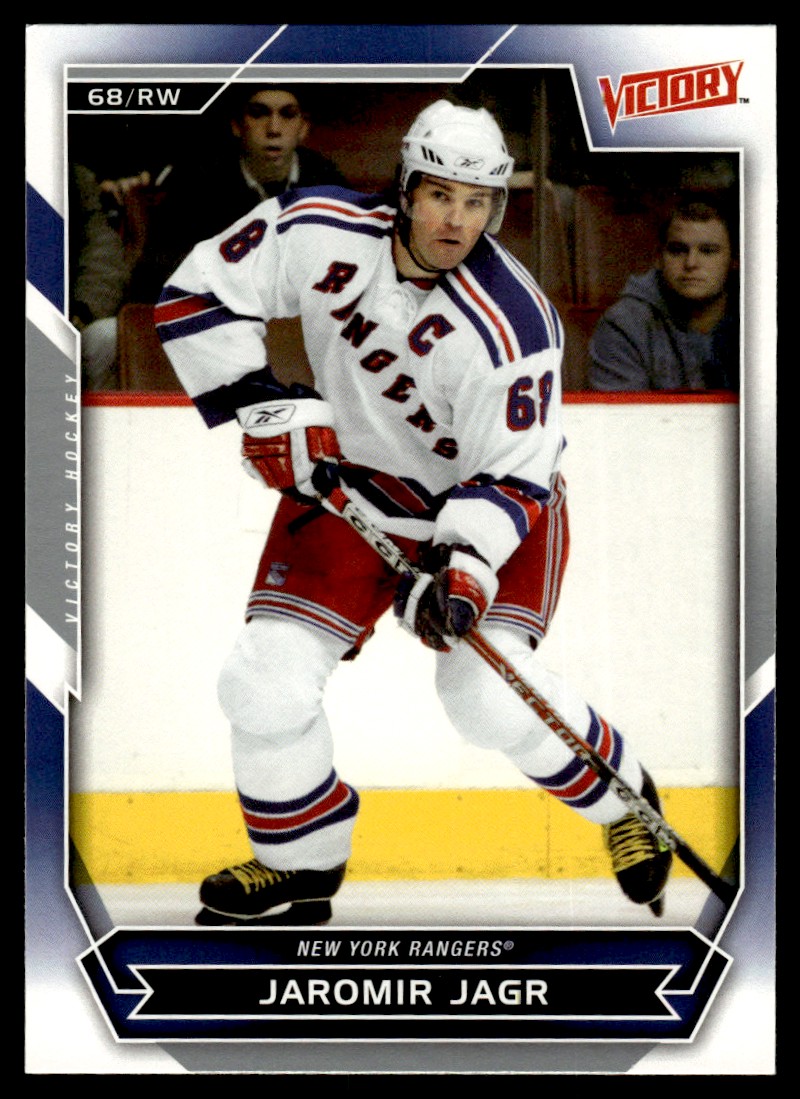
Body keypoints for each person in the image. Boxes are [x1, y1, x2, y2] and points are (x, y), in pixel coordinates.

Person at [155, 99, 673, 926]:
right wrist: (263, 406)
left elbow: (514, 474)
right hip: (350, 490)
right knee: (262, 681)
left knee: (482, 695)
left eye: (477, 202)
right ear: (405, 187)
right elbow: (196, 293)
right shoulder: (318, 228)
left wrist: (463, 567)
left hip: (492, 511)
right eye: (439, 196)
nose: (457, 221)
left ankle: (626, 801)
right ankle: (298, 861)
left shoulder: (515, 325)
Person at [588, 195, 739, 391]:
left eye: (708, 251)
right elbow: (621, 410)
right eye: (677, 250)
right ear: (659, 257)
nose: (691, 263)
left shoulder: (761, 322)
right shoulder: (624, 325)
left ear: (735, 260)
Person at [69, 163, 133, 390]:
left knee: (107, 337)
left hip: (67, 318)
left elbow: (103, 255)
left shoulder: (70, 177)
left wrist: (83, 313)